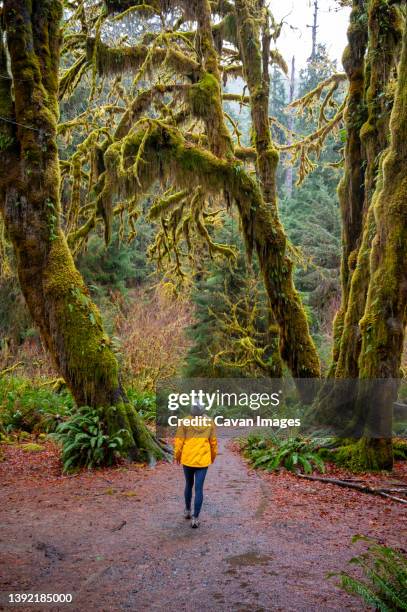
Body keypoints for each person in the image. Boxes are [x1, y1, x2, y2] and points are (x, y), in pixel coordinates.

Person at [174, 402, 217, 528]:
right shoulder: (210, 422)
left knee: (188, 484)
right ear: (203, 411)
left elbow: (179, 441)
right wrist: (212, 457)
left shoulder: (184, 422)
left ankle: (187, 510)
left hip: (188, 459)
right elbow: (213, 442)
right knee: (199, 489)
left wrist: (177, 456)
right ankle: (195, 518)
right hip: (203, 460)